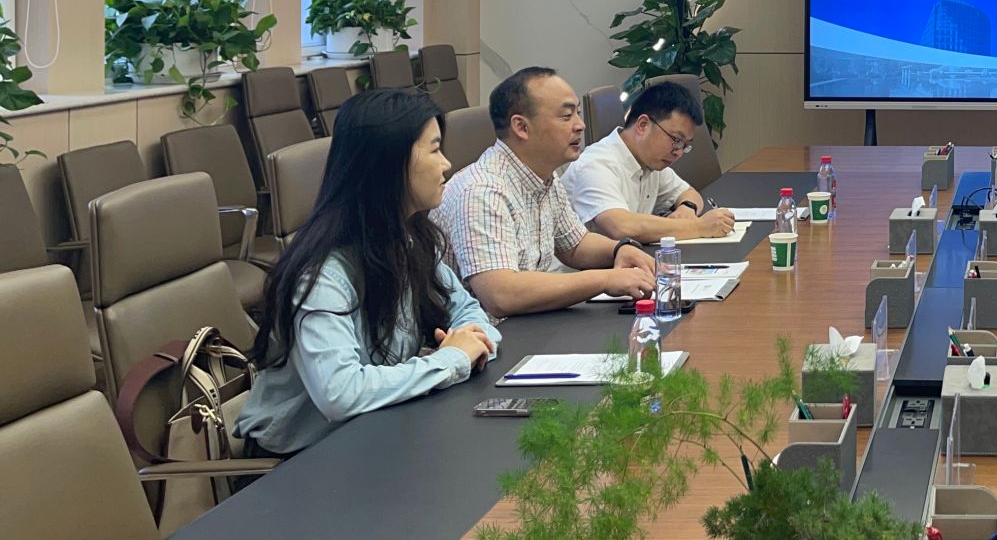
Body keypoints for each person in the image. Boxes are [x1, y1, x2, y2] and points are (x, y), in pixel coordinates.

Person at [236, 89, 501, 456]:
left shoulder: (408, 237)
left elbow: (467, 309)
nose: (447, 164)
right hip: (300, 461)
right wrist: (452, 360)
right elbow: (340, 394)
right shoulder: (323, 273)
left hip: (376, 432)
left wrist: (474, 342)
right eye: (434, 149)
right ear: (390, 163)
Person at [441, 66, 659, 317]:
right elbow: (501, 295)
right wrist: (605, 279)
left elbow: (575, 245)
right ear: (521, 127)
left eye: (578, 113)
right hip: (486, 335)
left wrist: (620, 250)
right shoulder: (481, 191)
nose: (580, 125)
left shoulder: (544, 176)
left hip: (530, 324)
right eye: (566, 116)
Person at [562, 79, 738, 244]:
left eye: (685, 145)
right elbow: (621, 227)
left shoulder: (648, 161)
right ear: (643, 125)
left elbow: (689, 193)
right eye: (676, 140)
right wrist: (698, 227)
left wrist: (687, 208)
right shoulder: (595, 165)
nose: (678, 152)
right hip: (584, 266)